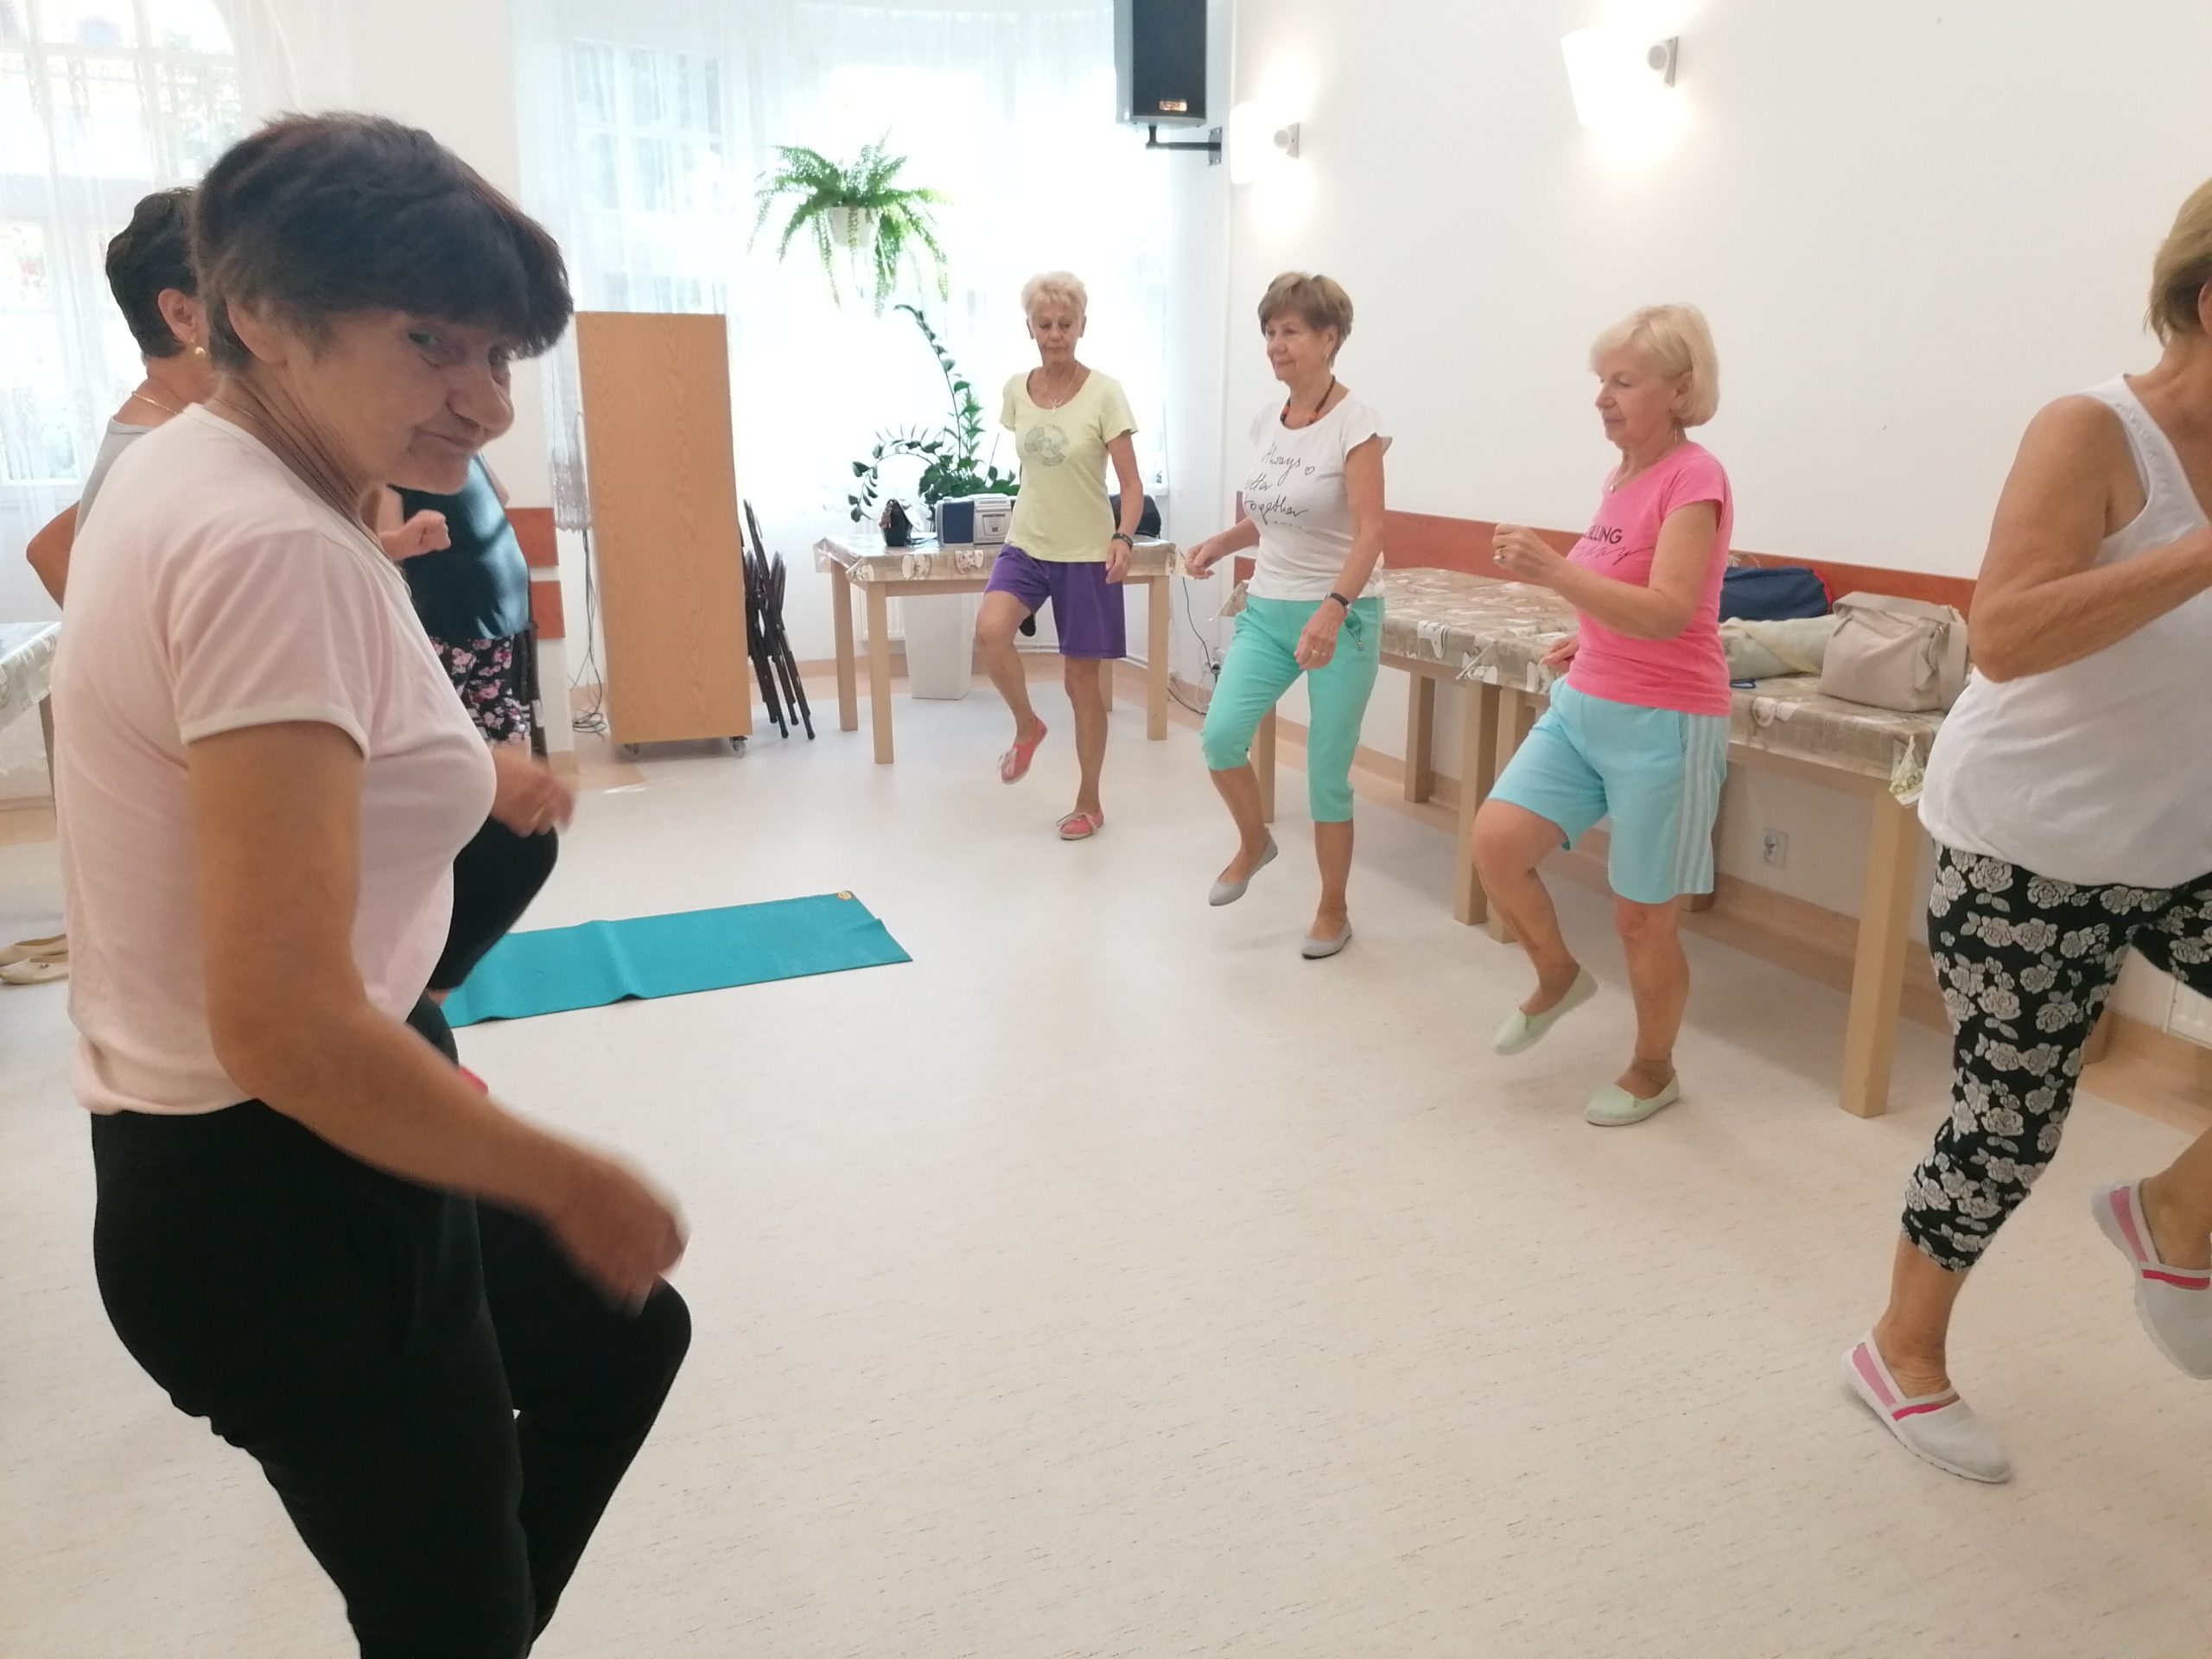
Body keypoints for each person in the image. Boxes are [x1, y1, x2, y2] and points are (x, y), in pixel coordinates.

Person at [53, 113, 688, 1656]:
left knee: (616, 1348)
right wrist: (569, 1175)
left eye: (500, 353)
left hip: (290, 1137)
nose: (485, 400)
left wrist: (466, 772)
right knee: (448, 1617)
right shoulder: (267, 544)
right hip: (275, 1189)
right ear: (260, 315)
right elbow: (281, 1027)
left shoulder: (200, 463)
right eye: (429, 343)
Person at [1845, 180, 2212, 1486]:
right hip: (2027, 846)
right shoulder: (2094, 432)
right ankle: (1899, 1350)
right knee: (2009, 1122)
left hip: (2181, 840)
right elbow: (2003, 633)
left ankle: (2173, 1213)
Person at [1475, 303, 1733, 1128]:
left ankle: (1654, 1068)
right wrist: (1586, 633)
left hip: (1665, 722)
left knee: (1642, 920)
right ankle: (1558, 974)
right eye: (1601, 381)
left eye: (1623, 381)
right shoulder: (1621, 477)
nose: (1602, 398)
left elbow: (1669, 610)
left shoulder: (1695, 478)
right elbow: (1622, 594)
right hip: (1586, 703)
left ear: (1680, 390)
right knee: (1496, 844)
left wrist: (1554, 571)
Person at [1185, 273, 1388, 960]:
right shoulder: (1266, 421)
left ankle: (1333, 908)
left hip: (1341, 618)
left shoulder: (1357, 423)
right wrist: (1222, 542)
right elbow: (1272, 514)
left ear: (1330, 338)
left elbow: (1370, 533)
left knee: (1327, 773)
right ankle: (1255, 842)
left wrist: (1334, 608)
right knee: (1220, 738)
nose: (1276, 344)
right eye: (1270, 332)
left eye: (1291, 331)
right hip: (1268, 609)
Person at [374, 458, 565, 998]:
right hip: (460, 614)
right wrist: (408, 538)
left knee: (490, 719)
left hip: (485, 612)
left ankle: (499, 835)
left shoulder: (451, 457)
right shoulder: (396, 465)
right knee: (469, 734)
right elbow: (377, 542)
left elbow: (496, 494)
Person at [974, 270, 1145, 840]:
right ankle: (1028, 726)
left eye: (1065, 324)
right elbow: (1033, 470)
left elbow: (1131, 484)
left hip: (1087, 553)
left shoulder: (1105, 393)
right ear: (1029, 328)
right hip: (1027, 542)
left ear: (1082, 326)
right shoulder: (1015, 391)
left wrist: (1123, 537)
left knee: (1080, 683)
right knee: (991, 631)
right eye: (1044, 324)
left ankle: (1089, 800)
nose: (1055, 335)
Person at [25, 187, 218, 606]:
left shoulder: (172, 431)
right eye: (244, 294)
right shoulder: (160, 454)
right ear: (182, 314)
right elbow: (48, 550)